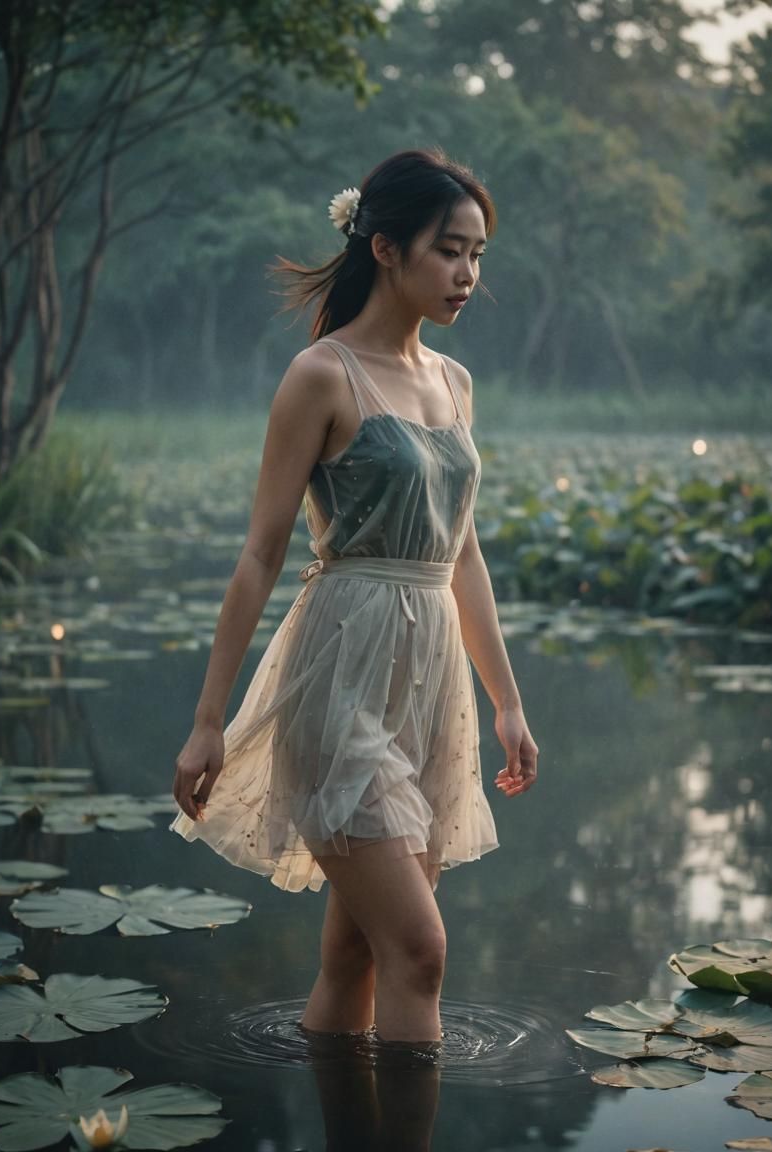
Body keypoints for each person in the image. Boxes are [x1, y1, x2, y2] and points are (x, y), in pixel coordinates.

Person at [171, 148, 538, 1048]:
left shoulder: (453, 384)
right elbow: (260, 557)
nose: (467, 274)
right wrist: (209, 718)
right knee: (419, 949)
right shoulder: (323, 377)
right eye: (450, 250)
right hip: (338, 679)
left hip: (429, 686)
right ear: (384, 248)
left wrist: (508, 703)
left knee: (357, 958)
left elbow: (465, 560)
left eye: (477, 254)